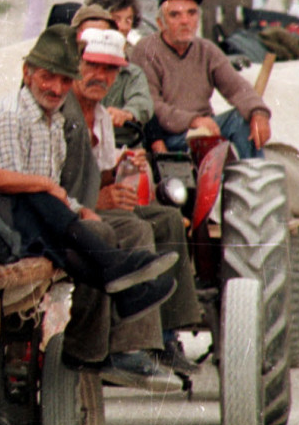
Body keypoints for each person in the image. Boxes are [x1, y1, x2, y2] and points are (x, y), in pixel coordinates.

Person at [0, 27, 178, 377]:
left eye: (64, 81)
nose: (55, 88)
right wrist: (62, 199)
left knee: (95, 226)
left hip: (37, 216)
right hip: (4, 222)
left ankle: (112, 311)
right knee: (86, 229)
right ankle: (94, 331)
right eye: (47, 77)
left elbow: (51, 186)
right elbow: (16, 189)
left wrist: (78, 208)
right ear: (27, 74)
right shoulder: (10, 116)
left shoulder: (55, 119)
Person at [60, 27, 203, 380]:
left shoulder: (103, 117)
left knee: (167, 218)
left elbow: (104, 174)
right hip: (67, 211)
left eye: (109, 70)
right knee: (136, 227)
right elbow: (54, 185)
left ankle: (166, 333)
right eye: (92, 66)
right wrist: (99, 196)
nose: (100, 76)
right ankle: (129, 346)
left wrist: (123, 169)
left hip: (89, 202)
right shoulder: (63, 113)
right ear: (76, 64)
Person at [132, 0, 271, 159]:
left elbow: (236, 87)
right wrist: (193, 120)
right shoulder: (146, 50)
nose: (185, 21)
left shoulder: (207, 49)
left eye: (191, 13)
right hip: (169, 137)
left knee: (242, 118)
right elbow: (152, 105)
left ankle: (253, 177)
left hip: (205, 129)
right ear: (160, 23)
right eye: (175, 15)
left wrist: (257, 112)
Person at [78, 0, 153, 147]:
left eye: (128, 20)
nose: (124, 26)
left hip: (122, 144)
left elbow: (143, 102)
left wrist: (127, 114)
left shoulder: (132, 71)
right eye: (116, 19)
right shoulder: (74, 65)